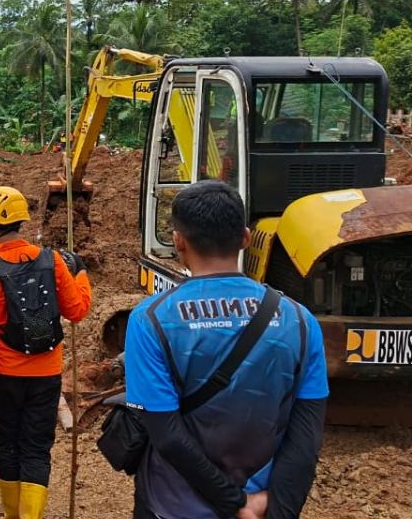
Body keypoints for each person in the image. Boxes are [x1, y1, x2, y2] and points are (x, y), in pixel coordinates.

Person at [126, 181, 328, 519]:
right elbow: (306, 434)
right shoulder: (300, 321)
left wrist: (233, 504)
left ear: (178, 241)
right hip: (262, 503)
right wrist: (275, 506)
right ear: (246, 238)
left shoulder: (151, 320)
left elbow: (167, 435)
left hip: (171, 504)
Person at [0, 187, 92, 519]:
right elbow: (77, 310)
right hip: (46, 375)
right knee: (37, 449)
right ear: (21, 221)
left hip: (5, 378)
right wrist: (80, 274)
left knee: (7, 446)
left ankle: (12, 515)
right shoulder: (52, 261)